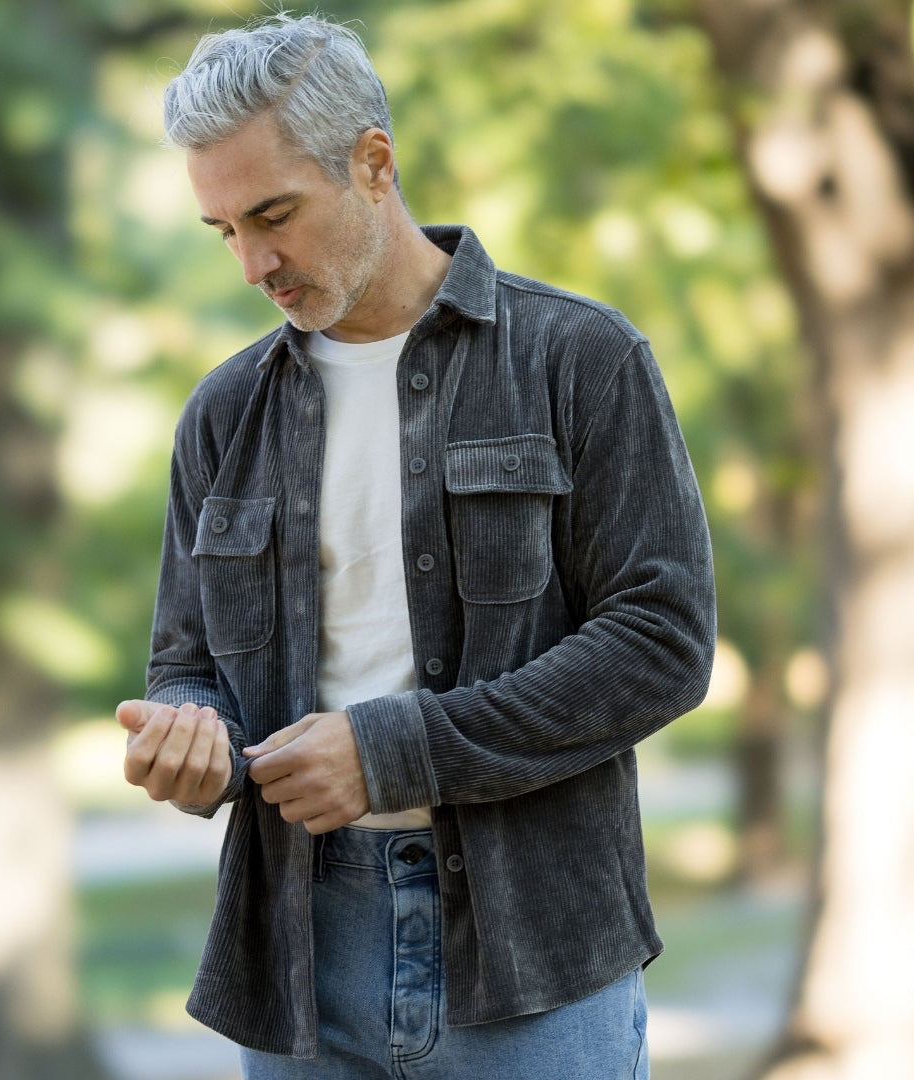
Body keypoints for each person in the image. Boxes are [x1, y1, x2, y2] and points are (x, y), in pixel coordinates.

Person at [117, 12, 715, 1079]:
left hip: (536, 955)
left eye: (274, 215)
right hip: (296, 962)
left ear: (374, 163)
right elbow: (188, 666)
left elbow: (663, 641)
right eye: (224, 231)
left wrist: (395, 749)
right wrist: (190, 736)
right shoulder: (220, 417)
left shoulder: (581, 359)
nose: (254, 262)